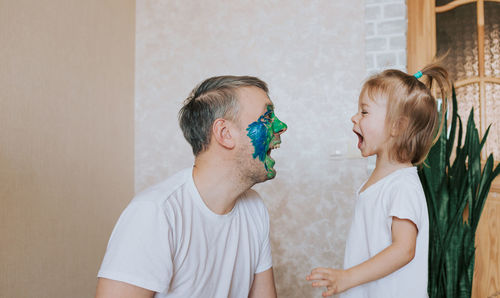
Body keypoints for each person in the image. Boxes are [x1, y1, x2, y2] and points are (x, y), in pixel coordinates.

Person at [95, 75, 287, 298]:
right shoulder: (155, 213)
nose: (281, 127)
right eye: (267, 117)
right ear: (224, 134)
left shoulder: (254, 207)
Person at [306, 64, 451, 297]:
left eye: (364, 112)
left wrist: (347, 277)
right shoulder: (381, 181)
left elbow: (404, 249)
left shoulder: (402, 186)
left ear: (397, 126)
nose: (354, 117)